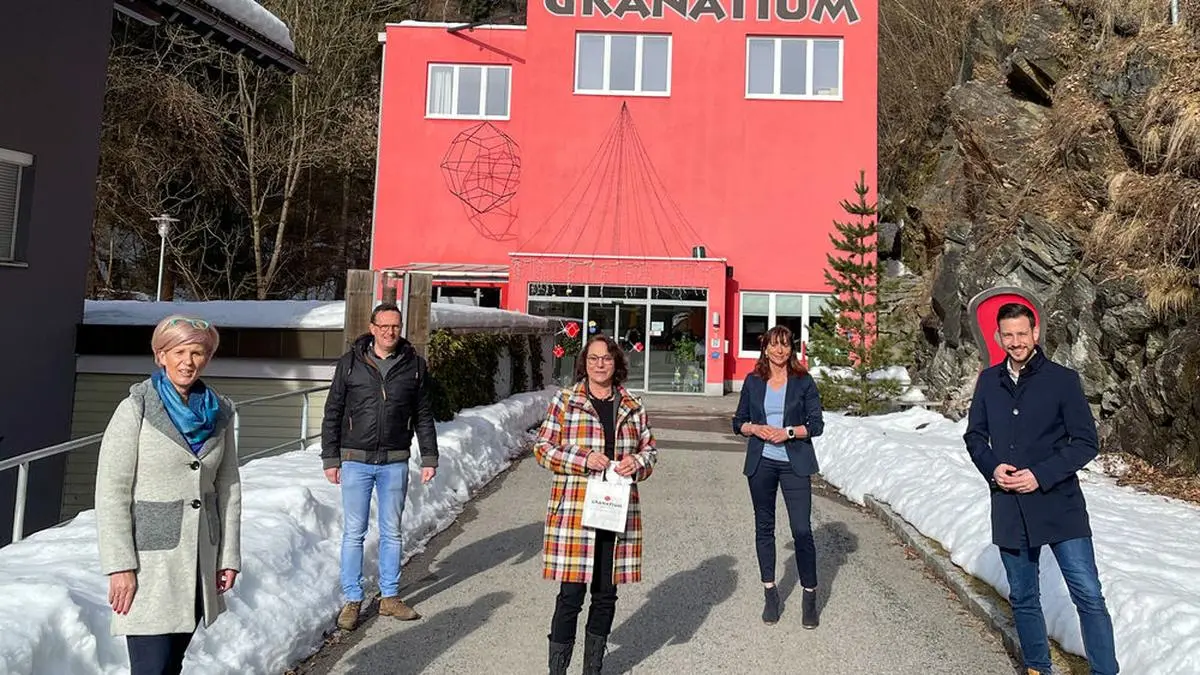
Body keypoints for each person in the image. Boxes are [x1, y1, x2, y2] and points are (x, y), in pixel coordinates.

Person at [964, 303, 1118, 675]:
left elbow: (1086, 443)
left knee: (1088, 594)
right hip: (1009, 505)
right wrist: (992, 467)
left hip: (1060, 504)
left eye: (1022, 333)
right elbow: (975, 437)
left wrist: (1040, 474)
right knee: (1023, 595)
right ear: (998, 337)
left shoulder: (1063, 380)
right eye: (1008, 335)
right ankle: (1037, 668)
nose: (1016, 342)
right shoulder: (989, 381)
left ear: (1035, 333)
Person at [95, 315, 242, 675]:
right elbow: (111, 491)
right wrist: (120, 565)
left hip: (199, 561)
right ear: (161, 356)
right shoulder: (137, 407)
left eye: (197, 353)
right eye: (179, 352)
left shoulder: (220, 412)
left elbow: (228, 487)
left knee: (171, 664)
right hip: (149, 565)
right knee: (151, 666)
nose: (188, 362)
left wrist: (228, 555)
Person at [534, 334, 658, 675]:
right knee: (571, 595)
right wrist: (583, 458)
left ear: (616, 363)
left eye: (606, 358)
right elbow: (542, 449)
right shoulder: (566, 401)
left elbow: (650, 451)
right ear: (584, 363)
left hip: (616, 512)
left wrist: (637, 462)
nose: (600, 364)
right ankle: (558, 670)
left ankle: (593, 669)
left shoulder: (633, 405)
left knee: (605, 595)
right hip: (577, 513)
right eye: (593, 358)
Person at [320, 302, 438, 631]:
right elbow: (333, 411)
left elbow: (423, 415)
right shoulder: (350, 363)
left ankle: (389, 597)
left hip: (394, 460)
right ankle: (352, 599)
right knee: (353, 533)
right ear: (372, 328)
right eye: (383, 326)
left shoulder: (414, 365)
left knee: (392, 532)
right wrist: (330, 457)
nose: (389, 332)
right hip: (355, 460)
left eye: (395, 326)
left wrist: (429, 456)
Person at [732, 325, 825, 629]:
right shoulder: (753, 381)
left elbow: (816, 424)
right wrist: (755, 428)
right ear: (765, 348)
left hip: (794, 463)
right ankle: (770, 593)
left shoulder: (803, 381)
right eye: (774, 344)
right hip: (762, 463)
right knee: (764, 527)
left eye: (785, 344)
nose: (779, 350)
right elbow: (738, 421)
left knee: (802, 531)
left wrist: (788, 433)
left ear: (791, 348)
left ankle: (809, 596)